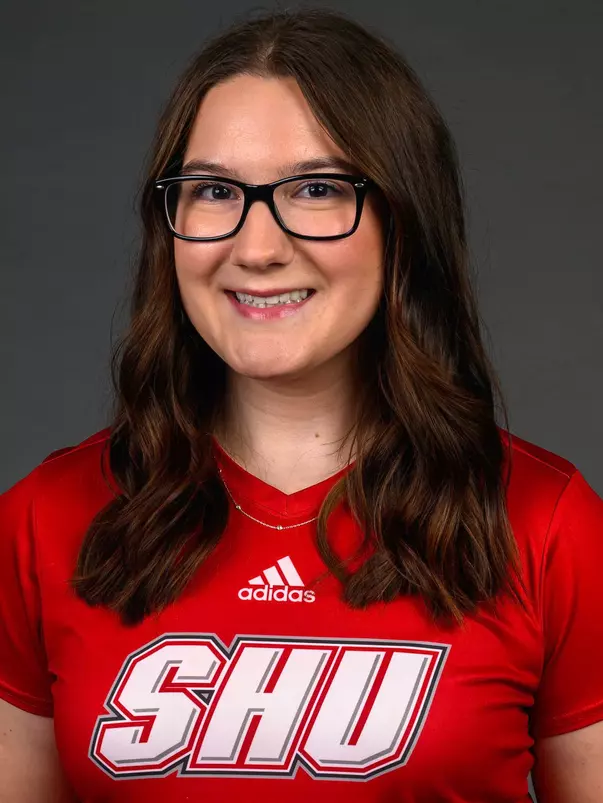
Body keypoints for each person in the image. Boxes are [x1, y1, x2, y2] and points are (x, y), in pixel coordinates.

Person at [1, 7, 602, 802]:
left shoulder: (547, 524)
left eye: (316, 188)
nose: (256, 248)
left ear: (403, 218)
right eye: (215, 190)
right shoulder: (44, 519)